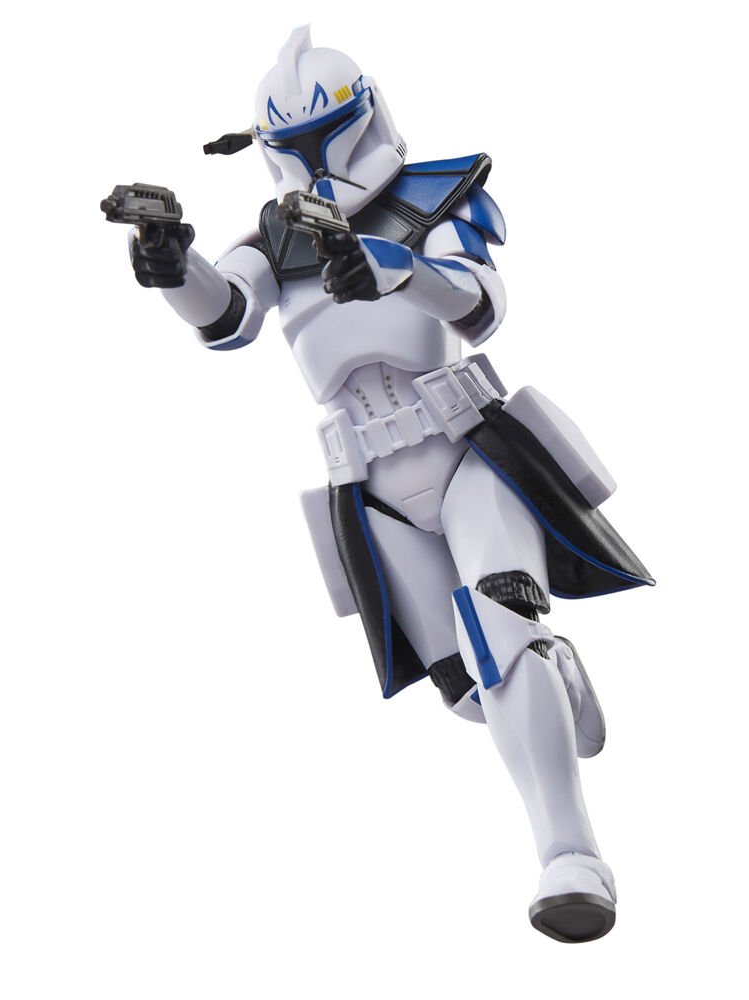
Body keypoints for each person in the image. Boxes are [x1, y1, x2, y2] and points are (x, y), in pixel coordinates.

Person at [116, 25, 653, 942]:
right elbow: (228, 314)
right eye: (294, 146)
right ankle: (554, 675)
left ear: (366, 115)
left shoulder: (434, 198)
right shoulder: (276, 236)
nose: (318, 161)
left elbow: (478, 303)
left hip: (466, 452)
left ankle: (572, 858)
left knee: (504, 627)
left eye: (328, 137)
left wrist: (393, 269)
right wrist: (172, 266)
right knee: (469, 689)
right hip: (366, 479)